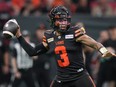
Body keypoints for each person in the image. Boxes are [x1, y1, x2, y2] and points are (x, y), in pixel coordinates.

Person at [14, 6, 115, 87]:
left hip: (79, 76)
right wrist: (19, 36)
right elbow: (32, 52)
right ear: (53, 21)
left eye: (65, 20)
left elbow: (92, 42)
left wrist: (102, 50)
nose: (64, 23)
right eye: (60, 20)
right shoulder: (50, 36)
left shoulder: (75, 32)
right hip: (62, 78)